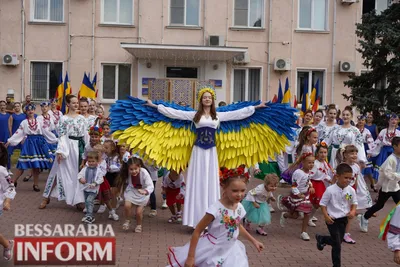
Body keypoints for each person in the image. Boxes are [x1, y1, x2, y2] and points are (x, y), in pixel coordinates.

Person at [145, 88, 266, 228]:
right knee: (197, 181)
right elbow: (175, 113)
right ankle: (195, 221)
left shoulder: (218, 115)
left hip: (211, 152)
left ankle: (210, 222)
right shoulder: (194, 115)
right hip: (198, 152)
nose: (207, 99)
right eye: (204, 97)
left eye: (209, 97)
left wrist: (255, 108)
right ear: (201, 100)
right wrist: (155, 106)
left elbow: (237, 114)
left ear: (212, 100)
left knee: (210, 181)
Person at [166, 167, 264, 267]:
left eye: (243, 190)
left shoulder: (239, 207)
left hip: (231, 251)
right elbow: (197, 231)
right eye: (235, 191)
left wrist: (254, 241)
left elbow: (237, 226)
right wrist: (191, 256)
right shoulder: (216, 209)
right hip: (213, 251)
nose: (239, 194)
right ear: (224, 187)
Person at [40, 94, 89, 209]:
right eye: (73, 103)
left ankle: (78, 200)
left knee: (78, 173)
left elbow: (86, 135)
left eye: (77, 103)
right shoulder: (63, 119)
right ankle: (46, 197)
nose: (76, 105)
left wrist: (87, 149)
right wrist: (61, 151)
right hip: (67, 147)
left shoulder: (82, 118)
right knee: (57, 172)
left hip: (80, 147)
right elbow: (62, 135)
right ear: (67, 104)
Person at [5, 103, 57, 191]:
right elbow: (18, 132)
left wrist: (55, 139)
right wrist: (10, 141)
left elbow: (46, 132)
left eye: (32, 110)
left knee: (36, 165)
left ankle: (35, 184)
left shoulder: (40, 121)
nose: (30, 111)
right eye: (28, 110)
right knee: (22, 164)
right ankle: (13, 181)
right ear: (26, 112)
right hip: (29, 144)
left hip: (39, 143)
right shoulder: (24, 122)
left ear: (34, 111)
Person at [315, 163, 357, 267]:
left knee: (338, 241)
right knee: (337, 244)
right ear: (337, 176)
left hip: (343, 219)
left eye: (350, 178)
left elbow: (354, 203)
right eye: (345, 177)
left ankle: (322, 239)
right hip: (332, 219)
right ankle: (336, 265)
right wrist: (326, 216)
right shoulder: (330, 190)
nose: (348, 180)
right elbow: (322, 204)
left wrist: (352, 211)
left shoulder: (351, 190)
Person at [358, 136, 400, 233]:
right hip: (387, 187)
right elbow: (387, 173)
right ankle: (364, 217)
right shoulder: (391, 159)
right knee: (379, 205)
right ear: (394, 146)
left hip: (395, 187)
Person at [336, 145, 372, 244]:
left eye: (356, 153)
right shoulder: (342, 166)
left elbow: (356, 180)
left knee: (350, 212)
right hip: (342, 192)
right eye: (351, 153)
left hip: (351, 192)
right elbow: (337, 180)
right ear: (345, 155)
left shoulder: (356, 166)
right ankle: (338, 230)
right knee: (340, 211)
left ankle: (346, 233)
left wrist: (355, 192)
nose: (354, 155)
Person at [278, 152, 315, 241]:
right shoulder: (298, 173)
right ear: (303, 162)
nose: (311, 165)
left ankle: (304, 232)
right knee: (295, 216)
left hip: (305, 196)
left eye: (313, 162)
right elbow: (294, 185)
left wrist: (311, 186)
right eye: (309, 162)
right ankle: (285, 215)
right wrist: (298, 193)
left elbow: (308, 180)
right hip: (297, 196)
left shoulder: (309, 172)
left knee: (307, 213)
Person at [116, 157, 154, 233]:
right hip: (132, 190)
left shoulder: (144, 173)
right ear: (128, 168)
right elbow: (122, 181)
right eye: (131, 169)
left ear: (139, 167)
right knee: (127, 205)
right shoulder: (126, 172)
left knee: (138, 212)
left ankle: (139, 225)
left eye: (135, 169)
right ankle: (127, 220)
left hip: (143, 192)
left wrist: (145, 191)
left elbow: (151, 185)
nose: (133, 171)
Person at [368, 113, 400, 181]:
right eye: (392, 119)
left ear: (397, 121)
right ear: (388, 121)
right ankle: (381, 185)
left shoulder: (398, 132)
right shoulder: (383, 131)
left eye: (395, 119)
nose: (393, 121)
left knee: (393, 169)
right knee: (382, 169)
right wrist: (371, 152)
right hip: (384, 152)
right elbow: (377, 142)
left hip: (394, 152)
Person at [308, 142, 333, 227]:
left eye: (325, 152)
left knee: (317, 203)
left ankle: (309, 216)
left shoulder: (325, 163)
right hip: (314, 184)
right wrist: (310, 185)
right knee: (315, 203)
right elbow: (309, 175)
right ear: (317, 153)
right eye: (321, 152)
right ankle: (308, 217)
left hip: (320, 185)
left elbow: (324, 175)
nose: (323, 154)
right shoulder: (315, 163)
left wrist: (330, 180)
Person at [0, 143, 16, 261]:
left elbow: (10, 187)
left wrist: (8, 201)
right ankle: (6, 243)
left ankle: (6, 245)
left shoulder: (1, 170)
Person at [78, 151, 104, 224]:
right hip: (86, 188)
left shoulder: (98, 170)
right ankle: (87, 215)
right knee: (87, 202)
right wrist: (81, 179)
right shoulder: (85, 169)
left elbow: (101, 179)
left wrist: (95, 183)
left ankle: (90, 216)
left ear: (97, 161)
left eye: (93, 161)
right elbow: (79, 175)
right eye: (89, 161)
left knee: (89, 201)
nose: (91, 163)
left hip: (93, 189)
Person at [357, 115, 376, 191]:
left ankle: (373, 184)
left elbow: (371, 141)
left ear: (364, 122)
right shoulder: (354, 129)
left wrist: (370, 152)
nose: (360, 122)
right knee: (358, 168)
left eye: (362, 120)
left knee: (368, 168)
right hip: (356, 149)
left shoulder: (367, 131)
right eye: (359, 120)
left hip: (364, 149)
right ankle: (359, 186)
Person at [103, 140, 120, 221]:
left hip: (115, 175)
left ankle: (113, 209)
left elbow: (120, 166)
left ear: (112, 148)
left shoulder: (116, 157)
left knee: (113, 193)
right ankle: (112, 208)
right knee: (108, 192)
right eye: (104, 147)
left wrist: (114, 167)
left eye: (106, 148)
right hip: (108, 174)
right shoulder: (105, 156)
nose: (105, 149)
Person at [7, 102, 25, 171]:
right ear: (14, 108)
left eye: (18, 106)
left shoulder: (24, 115)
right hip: (14, 136)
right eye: (16, 106)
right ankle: (8, 168)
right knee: (9, 152)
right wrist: (11, 136)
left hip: (22, 137)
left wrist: (24, 136)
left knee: (23, 152)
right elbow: (10, 125)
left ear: (20, 107)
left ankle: (22, 167)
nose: (17, 107)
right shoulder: (12, 116)